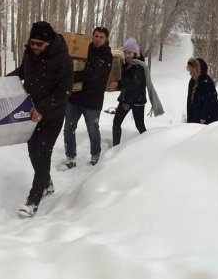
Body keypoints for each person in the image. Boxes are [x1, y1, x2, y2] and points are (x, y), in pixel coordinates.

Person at [9, 21, 73, 218]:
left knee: (43, 151)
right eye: (32, 43)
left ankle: (34, 198)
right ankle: (46, 182)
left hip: (52, 114)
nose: (35, 47)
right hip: (32, 111)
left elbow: (64, 91)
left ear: (49, 42)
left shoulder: (63, 59)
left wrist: (42, 109)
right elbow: (24, 70)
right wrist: (3, 81)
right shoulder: (30, 52)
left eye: (39, 44)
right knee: (32, 150)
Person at [63, 27, 112, 169]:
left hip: (93, 101)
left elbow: (92, 74)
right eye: (96, 36)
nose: (98, 39)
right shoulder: (84, 50)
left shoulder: (106, 56)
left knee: (93, 129)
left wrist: (71, 77)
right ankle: (70, 157)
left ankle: (95, 156)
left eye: (101, 37)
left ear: (106, 39)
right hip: (75, 98)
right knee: (68, 129)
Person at [108, 38, 164, 146]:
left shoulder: (139, 66)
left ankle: (148, 145)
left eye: (129, 52)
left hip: (135, 101)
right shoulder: (127, 63)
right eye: (125, 52)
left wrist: (118, 84)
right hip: (128, 99)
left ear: (135, 53)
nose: (127, 55)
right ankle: (115, 147)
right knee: (118, 123)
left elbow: (133, 83)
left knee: (139, 125)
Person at [186, 57, 218, 124]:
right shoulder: (192, 81)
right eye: (190, 71)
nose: (190, 74)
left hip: (208, 121)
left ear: (198, 70)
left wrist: (203, 118)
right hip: (195, 118)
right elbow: (190, 102)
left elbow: (210, 102)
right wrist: (190, 119)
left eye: (192, 71)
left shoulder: (207, 82)